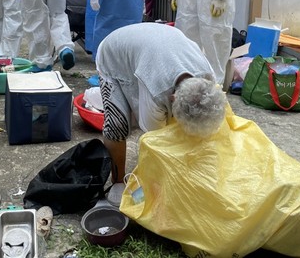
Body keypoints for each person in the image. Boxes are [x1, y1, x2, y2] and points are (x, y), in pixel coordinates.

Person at [95, 22, 227, 206]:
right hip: (114, 52)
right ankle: (117, 182)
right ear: (172, 99)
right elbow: (153, 142)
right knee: (118, 124)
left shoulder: (208, 76)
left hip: (154, 45)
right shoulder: (156, 92)